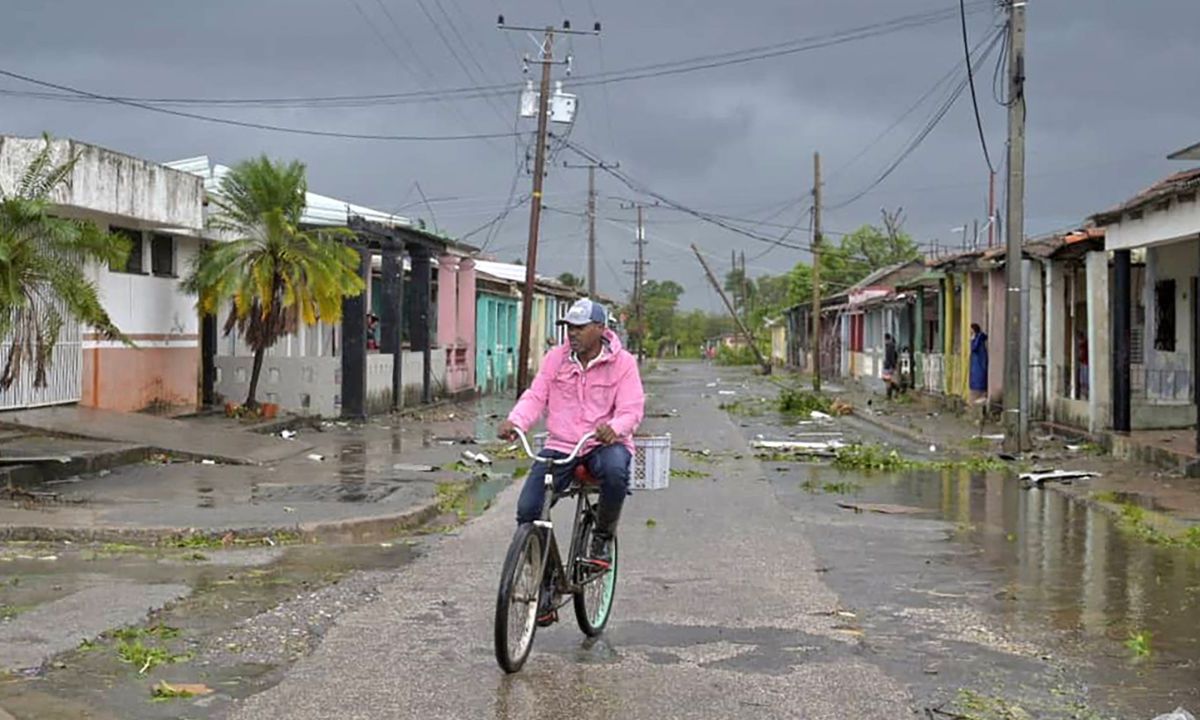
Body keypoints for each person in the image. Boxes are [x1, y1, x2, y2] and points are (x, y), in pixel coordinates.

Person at [498, 298, 644, 620]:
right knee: (529, 510)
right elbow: (536, 396)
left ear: (600, 330)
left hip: (601, 442)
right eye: (569, 328)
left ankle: (602, 539)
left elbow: (632, 410)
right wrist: (516, 422)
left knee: (617, 472)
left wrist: (615, 428)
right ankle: (547, 587)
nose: (572, 334)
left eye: (579, 327)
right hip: (562, 444)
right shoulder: (556, 359)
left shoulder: (624, 364)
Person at [969, 323, 989, 412]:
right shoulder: (979, 337)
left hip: (979, 363)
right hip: (978, 362)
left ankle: (979, 397)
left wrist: (973, 340)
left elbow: (974, 348)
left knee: (978, 379)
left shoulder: (977, 338)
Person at [883, 333, 899, 400]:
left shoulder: (890, 346)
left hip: (889, 366)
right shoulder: (888, 346)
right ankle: (893, 391)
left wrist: (893, 366)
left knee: (887, 380)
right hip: (888, 365)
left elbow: (891, 357)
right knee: (887, 380)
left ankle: (890, 394)